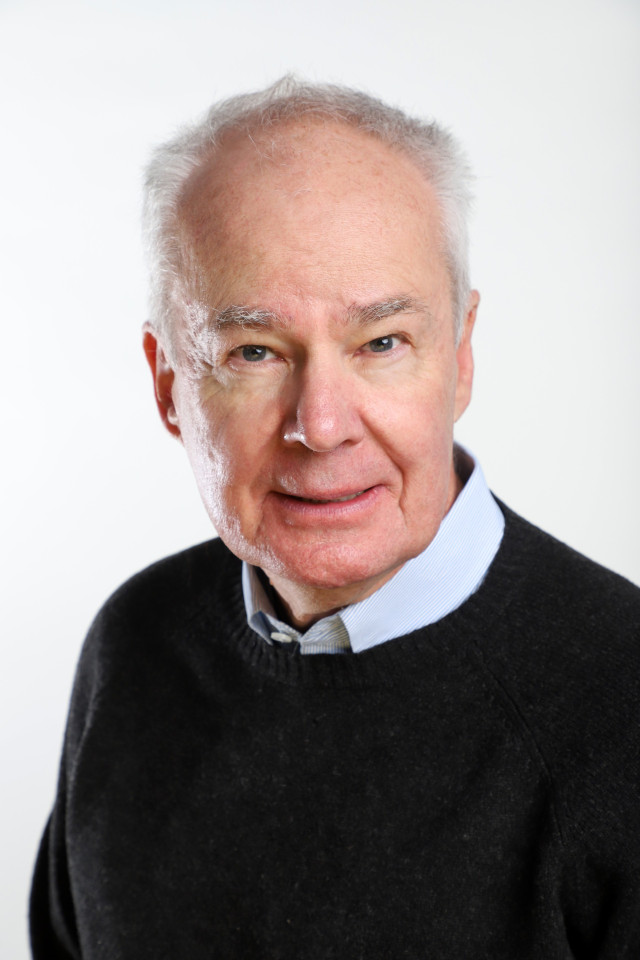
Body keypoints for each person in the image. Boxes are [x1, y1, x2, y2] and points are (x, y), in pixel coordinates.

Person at [30, 77, 640, 959]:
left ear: (461, 359)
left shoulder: (622, 707)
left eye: (381, 343)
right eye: (253, 351)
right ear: (169, 385)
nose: (320, 425)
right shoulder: (134, 647)